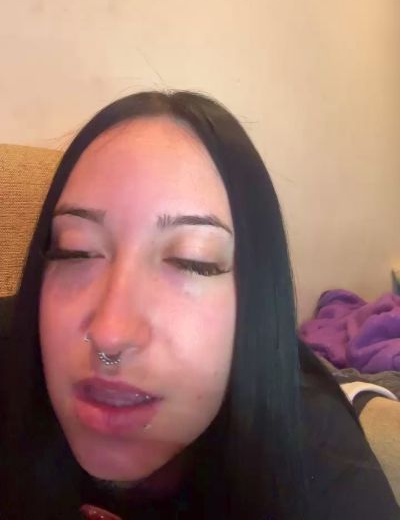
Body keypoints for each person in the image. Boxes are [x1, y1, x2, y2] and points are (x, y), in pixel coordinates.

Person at [0, 91, 398, 520]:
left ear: (255, 302)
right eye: (75, 250)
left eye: (193, 260)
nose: (110, 334)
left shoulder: (320, 466)